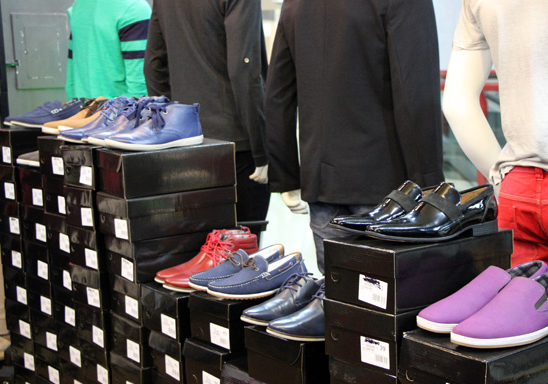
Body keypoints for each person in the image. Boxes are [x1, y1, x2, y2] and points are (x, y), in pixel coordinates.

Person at [266, 0, 445, 273]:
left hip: (322, 182)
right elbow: (416, 95)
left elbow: (278, 94)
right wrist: (431, 185)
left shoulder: (297, 3)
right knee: (393, 295)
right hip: (389, 190)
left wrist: (286, 177)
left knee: (339, 293)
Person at [143, 0, 270, 237]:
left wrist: (172, 122)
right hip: (235, 145)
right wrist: (262, 150)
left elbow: (153, 66)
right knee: (240, 249)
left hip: (186, 141)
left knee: (195, 244)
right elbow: (244, 70)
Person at [443, 0, 548, 266]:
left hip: (519, 187)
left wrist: (502, 180)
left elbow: (456, 103)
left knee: (524, 292)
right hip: (519, 184)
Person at [66, 0, 152, 99]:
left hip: (83, 107)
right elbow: (139, 89)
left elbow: (71, 82)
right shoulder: (134, 8)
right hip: (119, 108)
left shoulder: (78, 6)